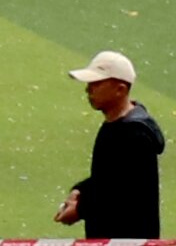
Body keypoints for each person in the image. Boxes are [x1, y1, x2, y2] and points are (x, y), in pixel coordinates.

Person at [60, 50, 162, 241]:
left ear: (120, 90)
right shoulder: (117, 126)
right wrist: (79, 190)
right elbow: (109, 178)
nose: (88, 90)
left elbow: (121, 192)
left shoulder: (134, 134)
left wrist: (80, 209)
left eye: (96, 84)